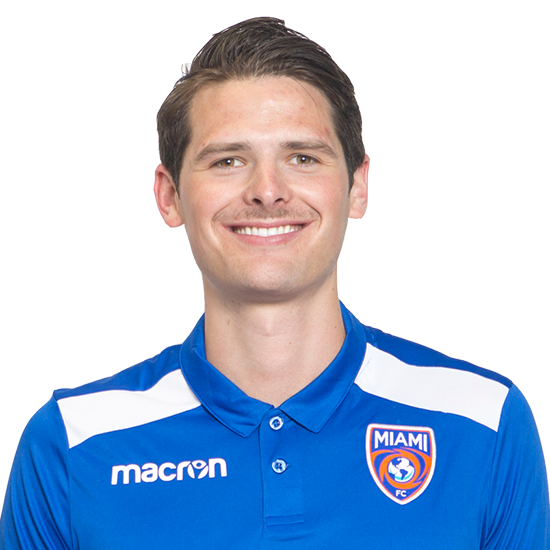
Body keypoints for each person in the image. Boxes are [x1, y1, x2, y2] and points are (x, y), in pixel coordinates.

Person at [1, 16, 548, 549]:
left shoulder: (481, 423)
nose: (267, 191)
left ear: (357, 187)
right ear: (169, 196)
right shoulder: (74, 442)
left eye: (303, 157)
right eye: (228, 161)